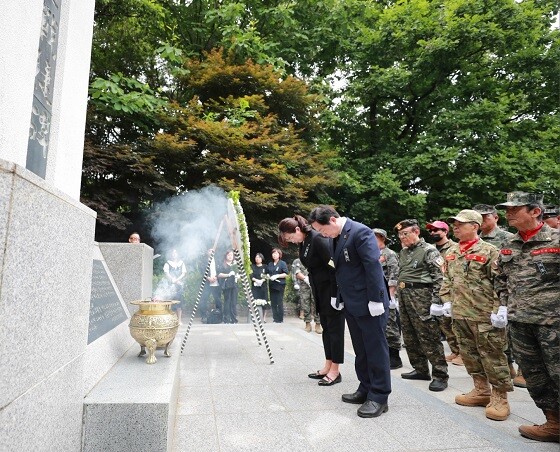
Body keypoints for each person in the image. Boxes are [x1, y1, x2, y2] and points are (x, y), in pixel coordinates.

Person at [309, 206, 390, 418]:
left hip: (369, 302)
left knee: (375, 349)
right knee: (360, 349)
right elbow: (338, 269)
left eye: (322, 229)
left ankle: (379, 396)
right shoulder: (335, 237)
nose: (322, 234)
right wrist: (337, 295)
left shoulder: (360, 232)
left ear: (333, 220)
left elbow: (372, 266)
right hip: (352, 302)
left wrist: (375, 299)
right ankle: (365, 388)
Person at [494, 192, 559, 443]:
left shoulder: (555, 239)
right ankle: (554, 422)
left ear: (535, 211)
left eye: (515, 209)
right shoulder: (509, 244)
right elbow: (501, 279)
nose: (508, 213)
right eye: (507, 209)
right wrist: (503, 306)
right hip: (520, 321)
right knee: (535, 375)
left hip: (553, 322)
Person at [437, 209, 512, 421]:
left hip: (485, 315)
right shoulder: (451, 252)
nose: (456, 227)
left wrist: (501, 308)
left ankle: (500, 397)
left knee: (493, 356)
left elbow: (501, 283)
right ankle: (481, 390)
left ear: (475, 226)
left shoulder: (490, 251)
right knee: (469, 354)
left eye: (461, 224)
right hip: (460, 313)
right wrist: (446, 301)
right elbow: (447, 280)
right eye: (454, 224)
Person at [279, 215, 342, 386]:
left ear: (297, 229)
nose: (292, 241)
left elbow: (334, 265)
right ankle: (328, 365)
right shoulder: (304, 242)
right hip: (319, 288)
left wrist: (337, 294)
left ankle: (336, 370)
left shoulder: (317, 238)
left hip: (331, 289)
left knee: (334, 329)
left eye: (291, 237)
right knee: (326, 328)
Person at [394, 219, 449, 392]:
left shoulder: (429, 251)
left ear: (416, 232)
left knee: (429, 336)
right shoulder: (403, 252)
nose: (402, 238)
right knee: (409, 335)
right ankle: (420, 369)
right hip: (404, 295)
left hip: (422, 296)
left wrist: (436, 302)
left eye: (405, 233)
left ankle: (440, 375)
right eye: (400, 235)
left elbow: (439, 278)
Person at [472, 203, 519, 383]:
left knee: (508, 335)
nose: (482, 220)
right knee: (489, 338)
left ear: (496, 218)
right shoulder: (476, 240)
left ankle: (515, 370)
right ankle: (502, 370)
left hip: (505, 294)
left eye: (486, 216)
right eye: (479, 217)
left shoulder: (507, 238)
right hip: (481, 296)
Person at [426, 220, 462, 366]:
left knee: (456, 324)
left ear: (445, 232)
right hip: (437, 291)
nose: (433, 233)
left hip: (453, 291)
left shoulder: (455, 247)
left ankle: (463, 354)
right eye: (431, 231)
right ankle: (455, 351)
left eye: (437, 230)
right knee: (445, 324)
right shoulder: (431, 250)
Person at [373, 228, 402, 369]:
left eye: (376, 237)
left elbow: (394, 274)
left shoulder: (390, 254)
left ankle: (395, 357)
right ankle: (383, 355)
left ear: (382, 238)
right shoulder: (370, 252)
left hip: (387, 294)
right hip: (375, 294)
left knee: (391, 326)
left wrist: (391, 296)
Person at [291, 258, 321, 333]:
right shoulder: (298, 261)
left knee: (317, 303)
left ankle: (318, 324)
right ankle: (307, 323)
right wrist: (305, 278)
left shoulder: (317, 258)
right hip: (304, 285)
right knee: (305, 304)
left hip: (315, 284)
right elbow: (296, 273)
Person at [163, 249, 186, 324]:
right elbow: (167, 273)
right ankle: (169, 320)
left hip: (179, 285)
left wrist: (177, 280)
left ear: (177, 254)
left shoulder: (181, 263)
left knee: (179, 302)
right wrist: (172, 280)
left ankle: (179, 320)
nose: (174, 254)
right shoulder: (167, 263)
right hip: (170, 285)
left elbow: (183, 273)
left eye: (175, 253)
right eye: (172, 253)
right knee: (169, 302)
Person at [199, 248, 222, 323]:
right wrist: (208, 278)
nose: (211, 252)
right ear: (207, 252)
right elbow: (202, 271)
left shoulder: (217, 260)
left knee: (218, 300)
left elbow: (220, 270)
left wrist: (216, 277)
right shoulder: (203, 261)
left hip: (216, 282)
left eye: (212, 250)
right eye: (209, 250)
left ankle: (219, 316)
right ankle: (204, 316)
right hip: (207, 283)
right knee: (204, 300)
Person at [267, 248, 289, 323]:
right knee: (273, 302)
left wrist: (277, 276)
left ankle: (280, 319)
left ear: (279, 255)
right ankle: (275, 318)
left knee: (279, 302)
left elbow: (285, 274)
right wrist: (268, 276)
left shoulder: (282, 263)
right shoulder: (270, 264)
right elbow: (267, 272)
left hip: (280, 285)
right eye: (273, 253)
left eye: (276, 253)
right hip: (272, 285)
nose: (274, 255)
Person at [217, 249, 239, 324]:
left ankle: (234, 319)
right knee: (227, 301)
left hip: (234, 285)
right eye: (229, 255)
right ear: (226, 256)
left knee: (234, 302)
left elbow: (239, 274)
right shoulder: (223, 264)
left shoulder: (235, 265)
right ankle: (226, 318)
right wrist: (228, 275)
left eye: (232, 255)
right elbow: (219, 274)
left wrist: (237, 276)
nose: (230, 257)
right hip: (226, 285)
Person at [250, 253, 269, 322]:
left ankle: (264, 318)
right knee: (254, 300)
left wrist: (262, 280)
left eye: (259, 257)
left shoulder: (265, 267)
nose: (257, 258)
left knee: (265, 301)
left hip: (263, 287)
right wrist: (256, 280)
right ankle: (255, 316)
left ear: (262, 258)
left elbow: (267, 275)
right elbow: (251, 275)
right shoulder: (252, 266)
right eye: (256, 257)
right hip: (255, 287)